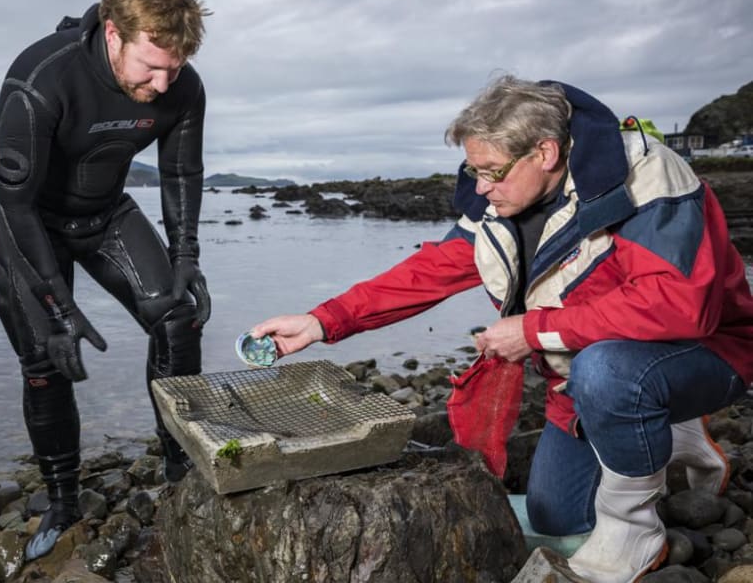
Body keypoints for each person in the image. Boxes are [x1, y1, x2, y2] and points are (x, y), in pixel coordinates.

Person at [252, 75, 753, 583]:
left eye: (491, 172)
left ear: (546, 151)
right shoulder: (498, 205)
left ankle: (634, 531)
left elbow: (679, 305)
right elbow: (423, 274)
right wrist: (320, 321)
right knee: (559, 517)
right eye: (473, 169)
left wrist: (532, 331)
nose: (481, 187)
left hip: (704, 351)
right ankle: (665, 432)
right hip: (581, 377)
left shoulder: (645, 176)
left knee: (610, 372)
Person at [0, 0, 212, 561]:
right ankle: (62, 501)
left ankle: (178, 471)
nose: (163, 85)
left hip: (107, 214)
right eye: (151, 67)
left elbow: (181, 170)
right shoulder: (41, 80)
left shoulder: (180, 84)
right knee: (46, 357)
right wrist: (57, 306)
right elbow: (14, 204)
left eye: (176, 68)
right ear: (114, 32)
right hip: (30, 224)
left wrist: (186, 254)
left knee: (176, 317)